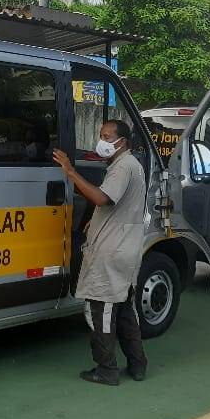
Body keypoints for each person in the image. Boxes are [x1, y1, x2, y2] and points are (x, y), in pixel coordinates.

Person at [53, 119, 148, 386]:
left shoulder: (122, 168)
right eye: (101, 135)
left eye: (107, 137)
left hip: (112, 253)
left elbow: (102, 198)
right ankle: (138, 365)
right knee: (126, 312)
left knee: (101, 313)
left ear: (123, 142)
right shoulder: (131, 166)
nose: (102, 141)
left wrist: (70, 172)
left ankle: (106, 370)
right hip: (126, 250)